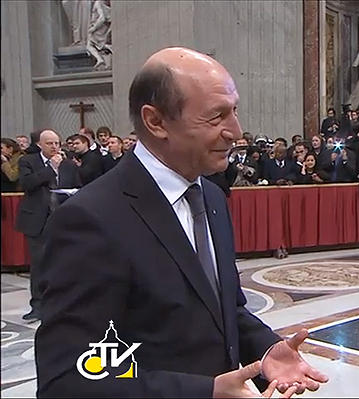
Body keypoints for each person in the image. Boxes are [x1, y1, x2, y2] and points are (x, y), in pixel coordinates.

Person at [35, 47, 327, 397]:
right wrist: (204, 391)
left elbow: (221, 308)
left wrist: (265, 350)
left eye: (233, 112)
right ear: (156, 122)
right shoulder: (90, 219)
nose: (235, 131)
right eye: (216, 117)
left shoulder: (212, 197)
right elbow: (68, 377)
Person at [15, 129, 80, 323]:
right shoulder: (28, 161)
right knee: (39, 264)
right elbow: (27, 184)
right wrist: (50, 168)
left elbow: (78, 185)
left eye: (57, 143)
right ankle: (38, 306)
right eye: (50, 143)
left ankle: (65, 304)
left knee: (65, 263)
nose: (54, 147)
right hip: (37, 220)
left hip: (63, 219)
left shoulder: (68, 164)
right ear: (40, 145)